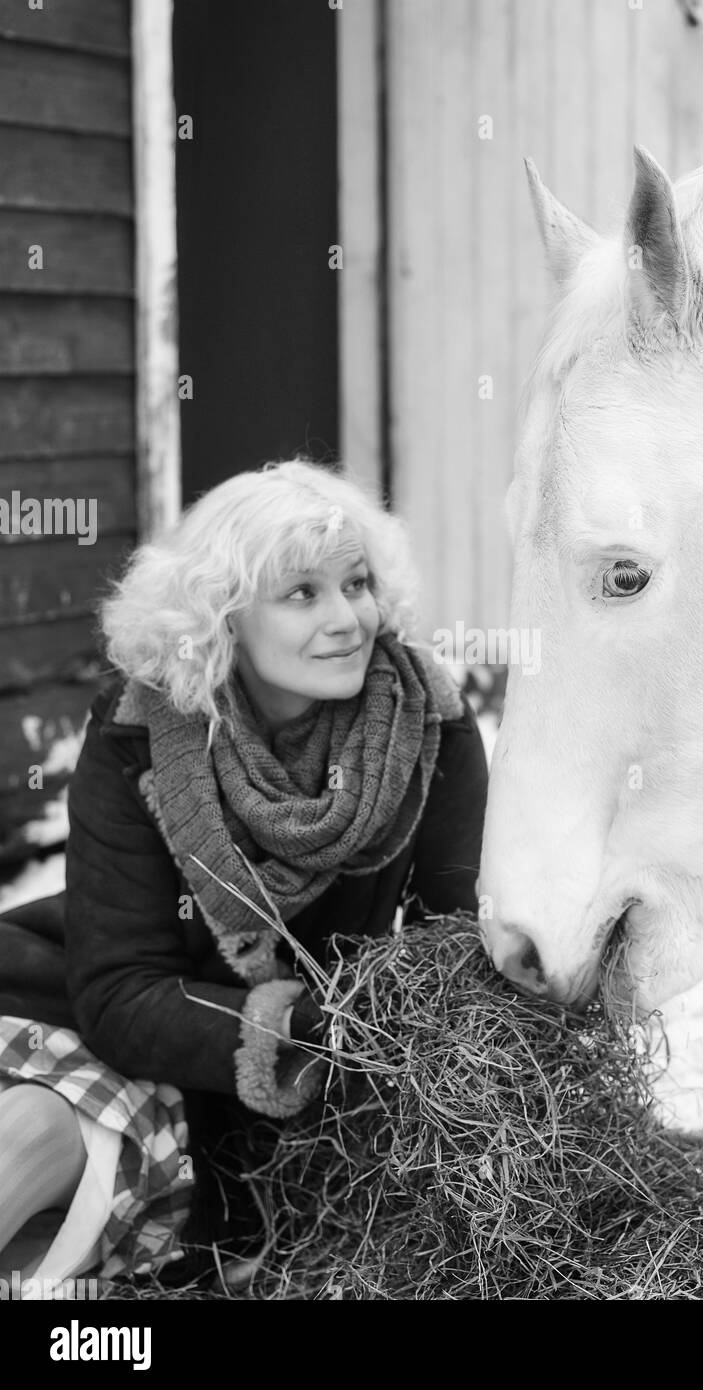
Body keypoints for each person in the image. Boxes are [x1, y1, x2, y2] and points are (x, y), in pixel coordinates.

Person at [0, 459, 489, 1287]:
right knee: (36, 1132)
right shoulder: (141, 733)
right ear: (222, 617)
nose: (349, 620)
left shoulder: (424, 725)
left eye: (357, 583)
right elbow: (120, 992)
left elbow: (458, 935)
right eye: (302, 593)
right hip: (96, 1022)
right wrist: (320, 1036)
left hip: (300, 1100)